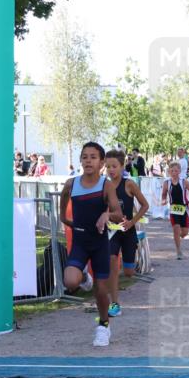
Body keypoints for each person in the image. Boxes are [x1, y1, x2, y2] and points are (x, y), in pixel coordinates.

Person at [59, 142, 123, 347]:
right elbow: (63, 199)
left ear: (102, 162)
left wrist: (106, 214)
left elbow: (118, 213)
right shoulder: (71, 184)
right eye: (85, 156)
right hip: (80, 241)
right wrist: (63, 218)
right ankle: (84, 276)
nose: (88, 160)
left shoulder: (106, 185)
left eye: (93, 157)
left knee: (101, 291)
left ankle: (103, 326)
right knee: (70, 282)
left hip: (99, 244)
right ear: (80, 161)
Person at [104, 150, 150, 318]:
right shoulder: (104, 186)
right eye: (107, 166)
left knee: (129, 272)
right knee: (112, 263)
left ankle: (131, 261)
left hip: (128, 231)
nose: (111, 170)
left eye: (114, 166)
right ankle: (114, 303)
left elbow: (145, 205)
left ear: (122, 166)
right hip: (112, 232)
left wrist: (132, 222)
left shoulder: (129, 184)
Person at [161, 161, 189, 260]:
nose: (174, 172)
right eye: (172, 171)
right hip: (173, 210)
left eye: (176, 170)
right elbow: (164, 194)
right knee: (176, 229)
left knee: (184, 233)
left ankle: (178, 238)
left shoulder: (183, 181)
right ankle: (178, 251)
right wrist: (163, 200)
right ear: (169, 172)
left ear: (179, 171)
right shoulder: (166, 183)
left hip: (184, 209)